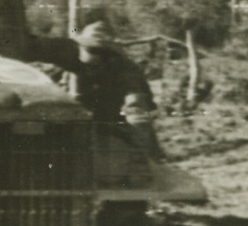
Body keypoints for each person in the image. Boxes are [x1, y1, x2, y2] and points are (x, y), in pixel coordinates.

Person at [32, 20, 164, 158]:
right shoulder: (67, 64)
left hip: (109, 121)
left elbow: (136, 99)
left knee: (138, 128)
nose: (93, 53)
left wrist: (134, 108)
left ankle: (150, 162)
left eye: (99, 50)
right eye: (88, 48)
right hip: (69, 122)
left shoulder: (124, 68)